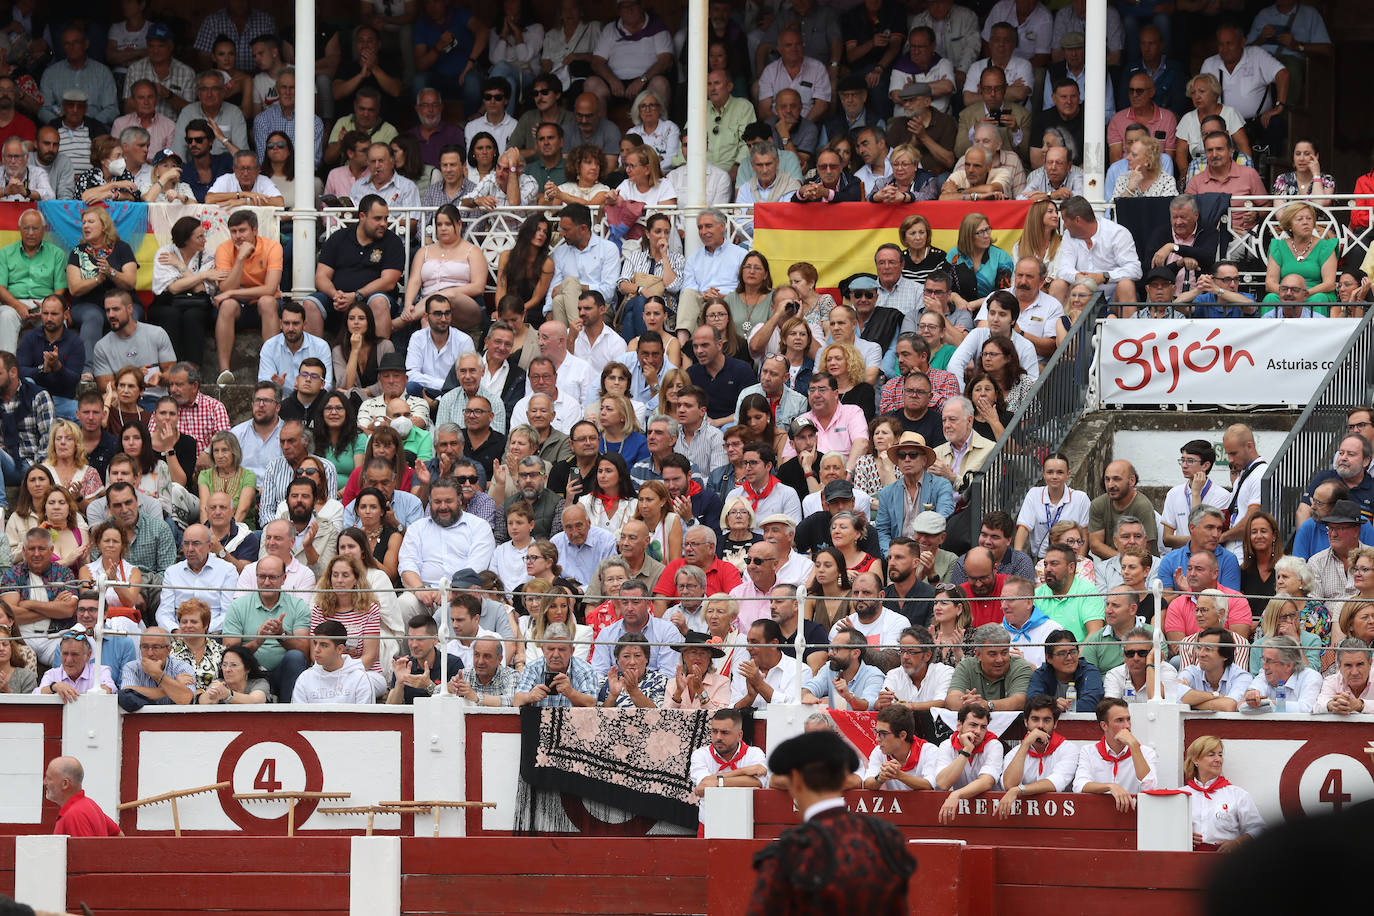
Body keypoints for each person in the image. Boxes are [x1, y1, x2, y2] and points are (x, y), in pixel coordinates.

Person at [307, 195, 405, 339]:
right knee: (310, 303)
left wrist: (357, 295)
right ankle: (314, 360)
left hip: (371, 299)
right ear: (362, 216)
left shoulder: (392, 242)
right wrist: (336, 295)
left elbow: (389, 282)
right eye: (378, 218)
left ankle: (380, 359)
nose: (384, 223)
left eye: (386, 218)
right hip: (338, 301)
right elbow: (321, 277)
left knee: (378, 301)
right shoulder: (338, 238)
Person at [1180, 735, 1264, 851]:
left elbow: (1259, 829)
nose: (1218, 759)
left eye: (1220, 755)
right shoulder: (1181, 796)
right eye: (1211, 755)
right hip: (1186, 862)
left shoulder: (1237, 795)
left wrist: (1237, 843)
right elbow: (1164, 829)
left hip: (1225, 863)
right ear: (1196, 760)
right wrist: (1180, 837)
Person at [1073, 698, 1158, 806]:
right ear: (1104, 725)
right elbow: (1079, 785)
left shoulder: (1146, 752)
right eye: (1120, 720)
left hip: (1134, 817)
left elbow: (1150, 787)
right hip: (1098, 815)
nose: (1127, 725)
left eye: (1128, 719)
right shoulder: (1089, 751)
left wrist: (1134, 747)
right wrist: (1110, 786)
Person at [292, 619, 382, 703]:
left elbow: (366, 718)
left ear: (340, 649)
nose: (316, 649)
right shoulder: (304, 678)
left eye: (324, 645)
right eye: (315, 643)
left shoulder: (360, 678)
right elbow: (297, 718)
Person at [117, 626, 196, 711]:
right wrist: (174, 685)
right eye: (145, 647)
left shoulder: (182, 668)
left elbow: (186, 699)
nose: (150, 653)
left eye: (156, 647)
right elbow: (127, 695)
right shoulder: (132, 667)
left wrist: (158, 675)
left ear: (169, 650)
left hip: (177, 721)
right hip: (143, 721)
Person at [45, 755, 121, 836]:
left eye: (49, 778)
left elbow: (83, 848)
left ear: (65, 784)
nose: (45, 782)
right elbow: (119, 835)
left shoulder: (74, 815)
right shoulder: (90, 804)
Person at [1316, 638, 1374, 714]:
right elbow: (1317, 707)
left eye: (1360, 664)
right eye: (1348, 665)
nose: (1354, 672)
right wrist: (1332, 705)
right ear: (1339, 666)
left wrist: (1360, 705)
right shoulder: (1331, 681)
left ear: (1370, 663)